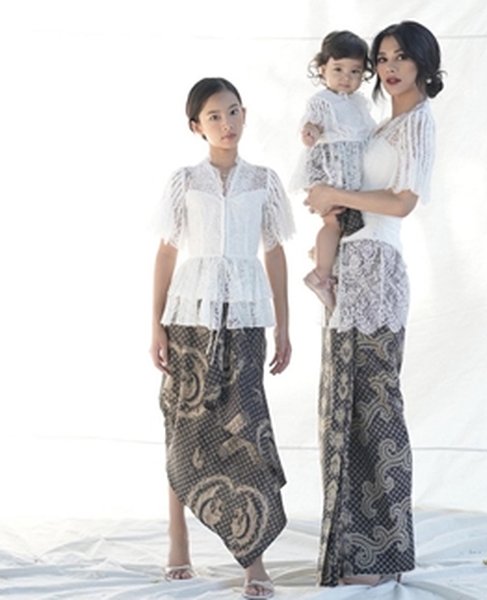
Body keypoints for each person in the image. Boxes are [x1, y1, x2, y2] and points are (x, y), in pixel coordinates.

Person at [302, 20, 440, 587]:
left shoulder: (418, 125)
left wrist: (335, 195)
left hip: (377, 268)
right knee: (343, 406)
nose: (388, 67)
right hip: (353, 262)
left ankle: (381, 551)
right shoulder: (383, 122)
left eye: (400, 57)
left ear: (424, 64)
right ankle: (350, 551)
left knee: (376, 409)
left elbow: (404, 201)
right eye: (381, 57)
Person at [150, 77, 293, 600]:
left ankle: (254, 561)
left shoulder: (264, 181)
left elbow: (274, 251)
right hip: (189, 314)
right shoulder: (185, 181)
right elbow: (167, 252)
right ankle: (178, 540)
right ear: (196, 126)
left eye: (233, 112)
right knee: (184, 425)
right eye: (214, 116)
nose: (227, 124)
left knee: (245, 429)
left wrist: (284, 324)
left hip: (246, 319)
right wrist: (155, 326)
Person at [295, 30, 377, 309]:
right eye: (338, 69)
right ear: (322, 69)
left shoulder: (359, 103)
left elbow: (367, 133)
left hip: (350, 170)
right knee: (333, 220)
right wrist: (310, 131)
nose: (346, 77)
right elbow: (313, 124)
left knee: (345, 222)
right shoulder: (322, 100)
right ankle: (320, 275)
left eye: (355, 71)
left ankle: (321, 253)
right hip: (330, 167)